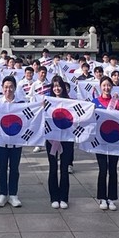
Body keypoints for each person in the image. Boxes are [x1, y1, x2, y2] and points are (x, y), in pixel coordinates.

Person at [0, 75, 24, 208]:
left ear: (15, 88)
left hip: (17, 141)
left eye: (11, 87)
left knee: (14, 168)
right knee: (2, 168)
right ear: (2, 88)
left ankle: (13, 194)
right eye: (6, 87)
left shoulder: (21, 104)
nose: (8, 89)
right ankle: (2, 193)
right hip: (1, 141)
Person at [93, 75, 119, 210]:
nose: (106, 88)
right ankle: (102, 197)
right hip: (100, 141)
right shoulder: (95, 102)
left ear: (112, 87)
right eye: (104, 85)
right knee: (103, 169)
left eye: (109, 85)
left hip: (115, 139)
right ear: (100, 87)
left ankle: (111, 198)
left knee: (113, 169)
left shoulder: (117, 102)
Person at [45, 75, 73, 209]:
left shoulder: (71, 102)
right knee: (53, 167)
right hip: (51, 139)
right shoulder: (47, 102)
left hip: (67, 139)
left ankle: (64, 197)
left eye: (59, 86)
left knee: (64, 168)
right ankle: (54, 197)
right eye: (55, 86)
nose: (57, 88)